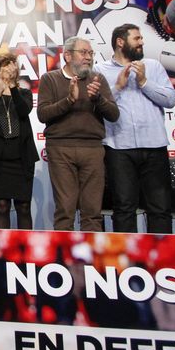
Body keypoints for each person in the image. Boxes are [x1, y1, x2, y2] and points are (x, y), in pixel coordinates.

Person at [95, 24, 175, 233]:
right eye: (137, 38)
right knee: (124, 208)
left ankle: (161, 252)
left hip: (155, 145)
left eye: (141, 38)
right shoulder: (100, 70)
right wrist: (118, 87)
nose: (142, 42)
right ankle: (126, 254)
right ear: (120, 42)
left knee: (160, 208)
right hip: (118, 148)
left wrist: (144, 82)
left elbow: (170, 100)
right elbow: (97, 106)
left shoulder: (153, 66)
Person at [37, 37, 119, 231]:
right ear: (67, 56)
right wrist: (69, 101)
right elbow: (43, 114)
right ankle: (64, 250)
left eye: (90, 53)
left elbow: (114, 115)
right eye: (83, 52)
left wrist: (98, 99)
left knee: (92, 211)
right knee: (65, 209)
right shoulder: (50, 79)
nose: (88, 57)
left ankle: (90, 250)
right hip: (60, 148)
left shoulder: (97, 80)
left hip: (92, 149)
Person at [0, 53, 38, 231]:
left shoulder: (24, 93)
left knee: (24, 206)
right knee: (2, 205)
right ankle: (3, 247)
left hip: (22, 158)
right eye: (4, 65)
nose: (8, 69)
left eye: (11, 65)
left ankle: (25, 247)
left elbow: (23, 111)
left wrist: (12, 87)